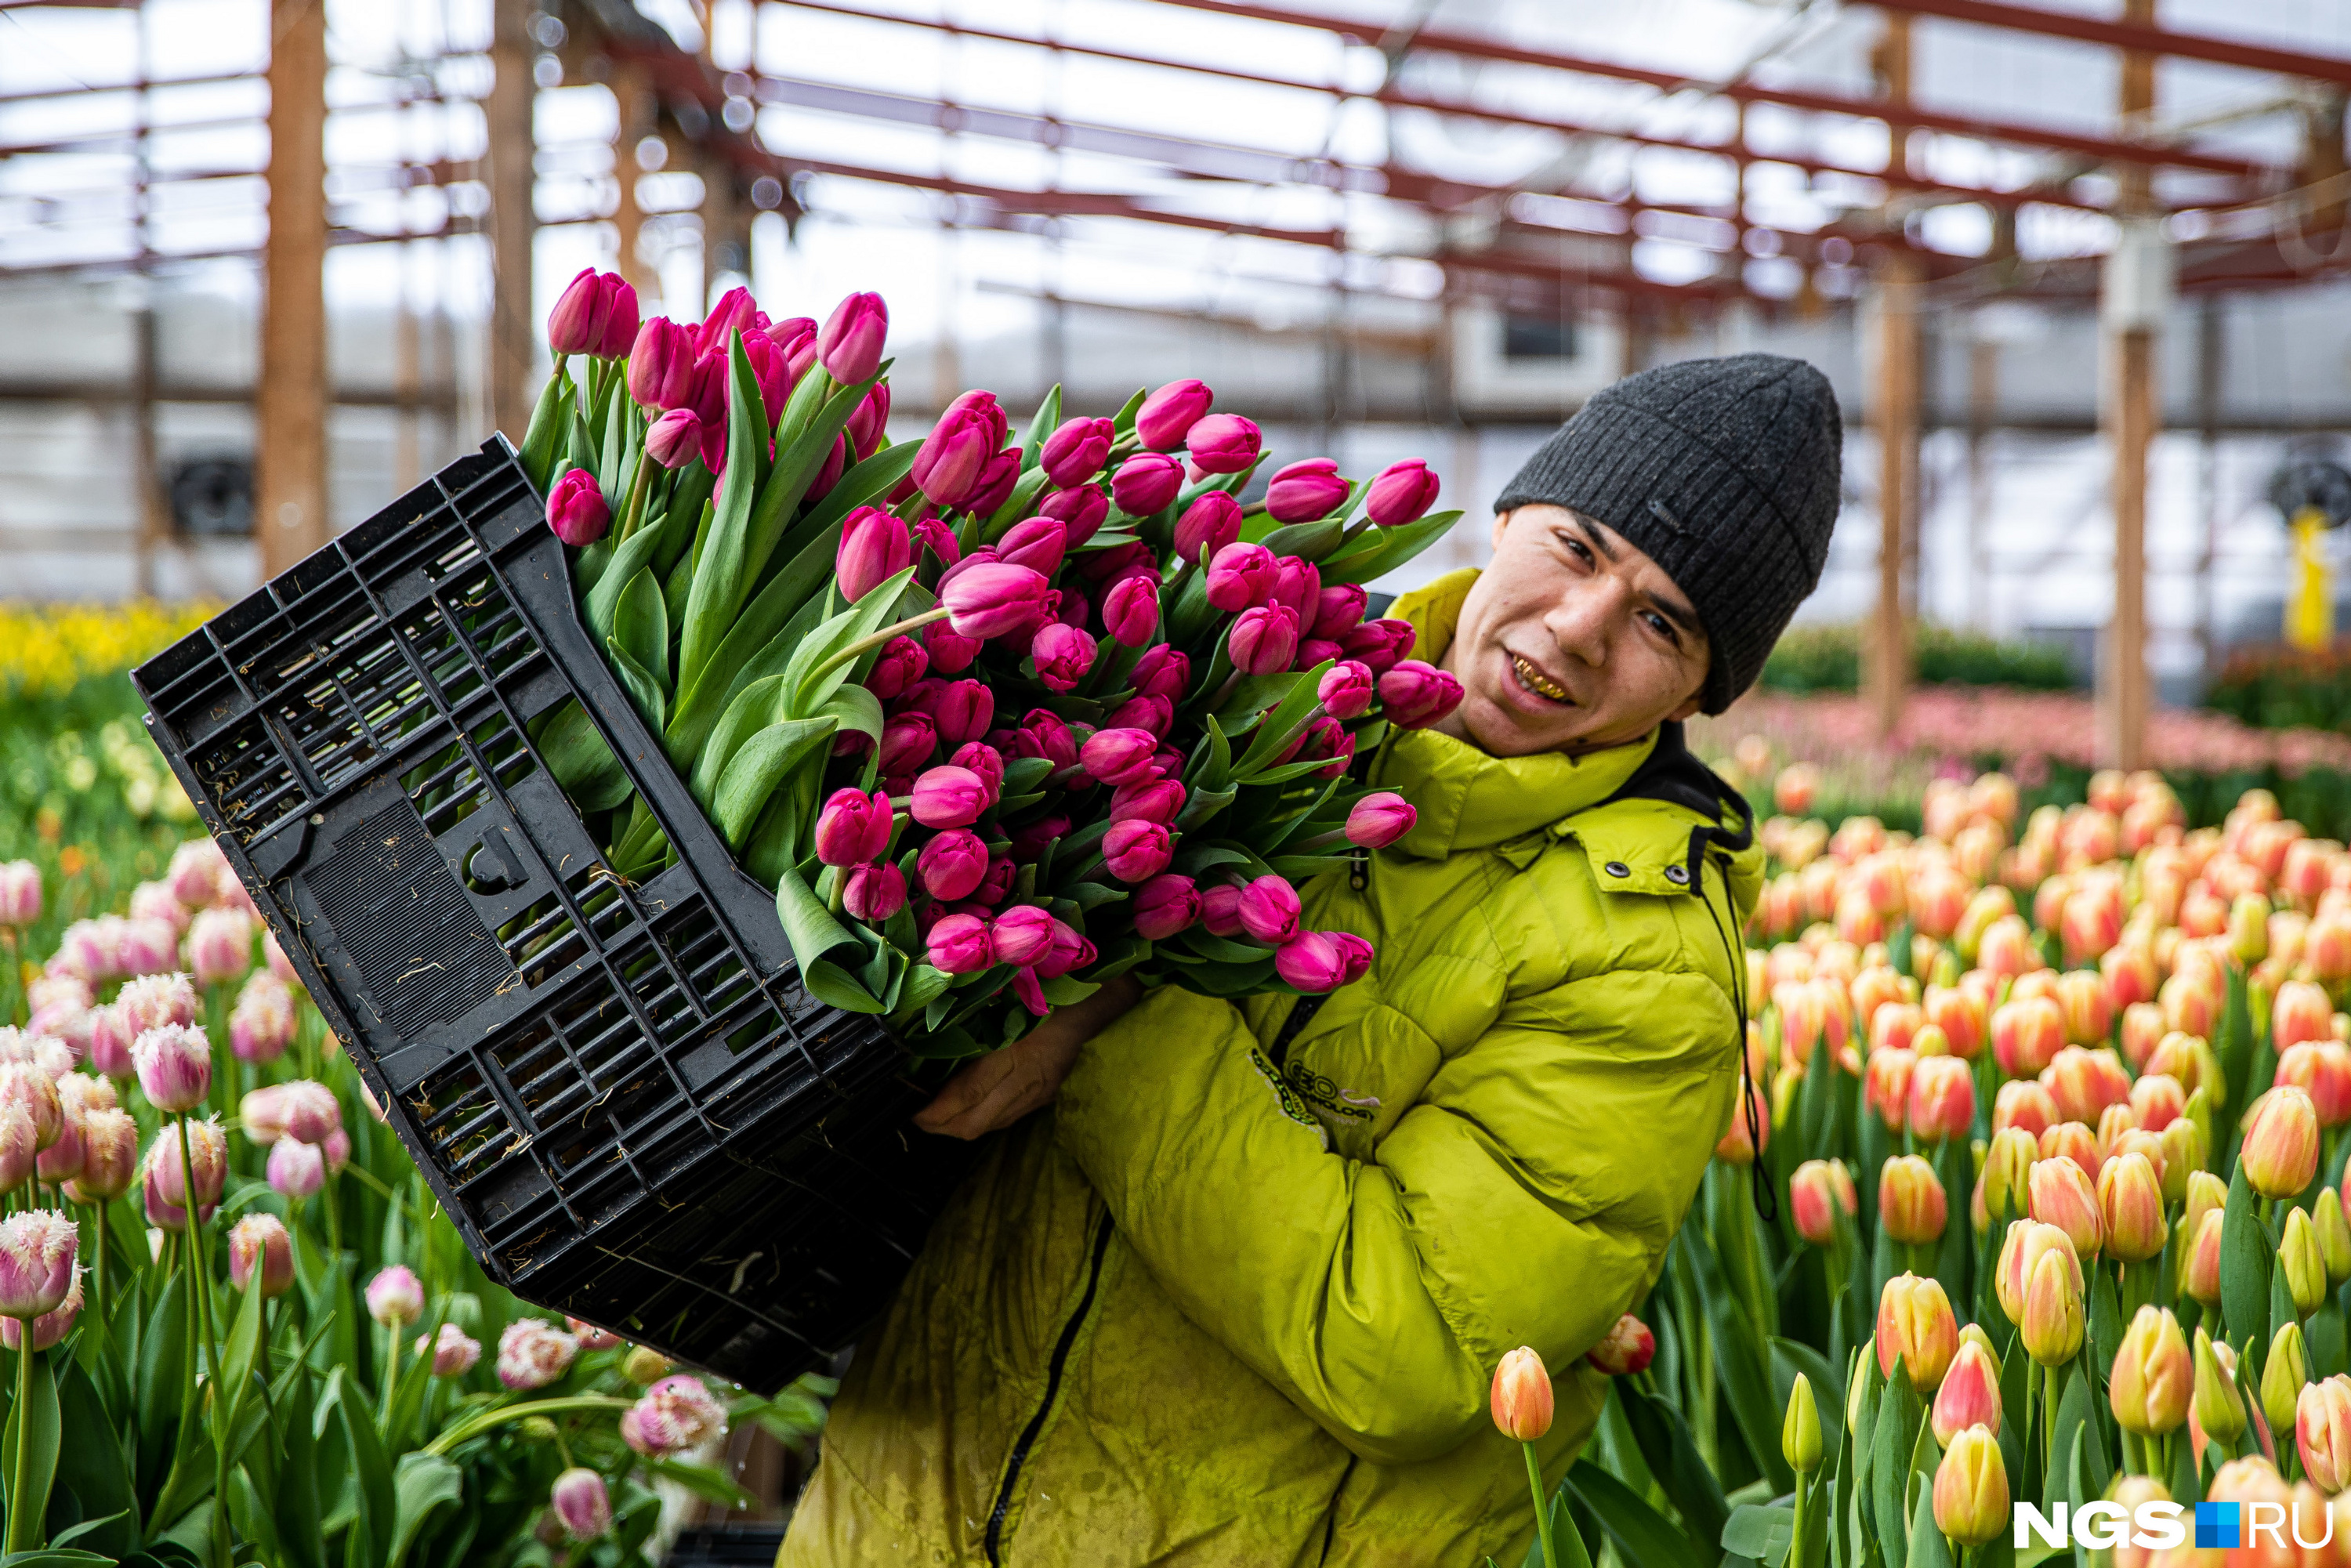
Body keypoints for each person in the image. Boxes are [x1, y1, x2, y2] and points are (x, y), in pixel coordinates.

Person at [776, 352, 1844, 1566]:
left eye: (1665, 620)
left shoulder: (1647, 977)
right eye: (1579, 547)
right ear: (1508, 519)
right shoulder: (1250, 677)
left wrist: (1111, 1005)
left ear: (1705, 690)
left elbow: (1402, 1343)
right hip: (888, 1517)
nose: (1579, 629)